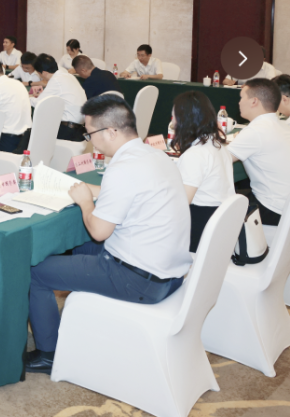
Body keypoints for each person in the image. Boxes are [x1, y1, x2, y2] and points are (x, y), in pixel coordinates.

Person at [24, 94, 190, 374]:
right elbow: (128, 193)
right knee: (79, 247)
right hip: (169, 273)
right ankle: (78, 323)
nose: (90, 140)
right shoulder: (153, 155)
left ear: (111, 131)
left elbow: (99, 232)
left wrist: (85, 203)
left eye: (90, 133)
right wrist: (87, 191)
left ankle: (48, 354)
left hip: (139, 280)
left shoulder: (123, 168)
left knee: (36, 272)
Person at [170, 92, 235, 252]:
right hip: (222, 227)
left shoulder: (195, 155)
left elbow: (180, 205)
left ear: (184, 120)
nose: (172, 122)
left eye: (174, 117)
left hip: (199, 230)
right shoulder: (218, 146)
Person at [227, 78, 290, 225]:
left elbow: (217, 160)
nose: (239, 103)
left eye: (242, 97)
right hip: (284, 205)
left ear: (254, 101)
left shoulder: (256, 131)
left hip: (273, 209)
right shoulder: (281, 125)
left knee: (217, 206)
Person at [31, 54, 87, 141]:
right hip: (80, 129)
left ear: (44, 73)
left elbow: (39, 103)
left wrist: (27, 98)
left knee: (31, 132)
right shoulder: (68, 76)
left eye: (38, 74)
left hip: (68, 131)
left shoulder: (56, 80)